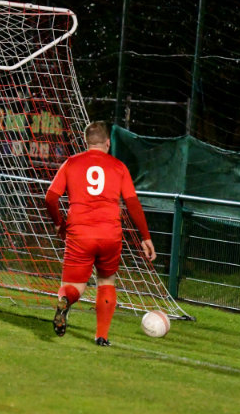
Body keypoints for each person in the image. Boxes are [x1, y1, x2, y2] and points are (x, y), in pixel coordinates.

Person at [45, 121, 155, 346]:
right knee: (106, 281)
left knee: (74, 286)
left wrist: (58, 223)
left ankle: (65, 300)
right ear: (108, 142)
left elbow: (50, 197)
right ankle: (102, 336)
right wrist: (146, 237)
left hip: (79, 233)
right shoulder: (118, 166)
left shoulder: (71, 163)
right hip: (109, 233)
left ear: (86, 142)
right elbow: (132, 203)